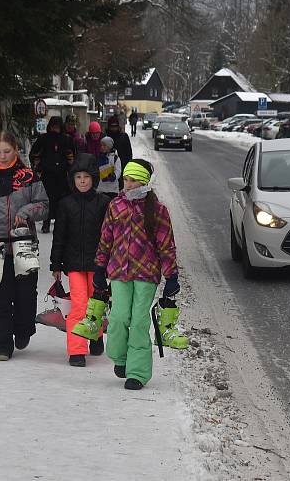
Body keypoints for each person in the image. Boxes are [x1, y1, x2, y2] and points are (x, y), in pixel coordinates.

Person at [95, 159, 179, 390]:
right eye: (126, 179)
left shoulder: (157, 209)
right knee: (119, 318)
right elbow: (105, 239)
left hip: (146, 273)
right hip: (119, 272)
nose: (128, 184)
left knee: (140, 322)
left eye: (133, 180)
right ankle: (120, 358)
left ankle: (137, 373)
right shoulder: (115, 206)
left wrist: (171, 276)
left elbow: (166, 244)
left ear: (143, 182)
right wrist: (100, 268)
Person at [0, 131, 49, 361]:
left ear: (15, 150)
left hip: (24, 246)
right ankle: (1, 346)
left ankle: (23, 331)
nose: (2, 156)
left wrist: (26, 212)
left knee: (25, 296)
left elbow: (43, 206)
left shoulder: (28, 177)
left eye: (7, 151)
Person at [49, 153, 111, 366]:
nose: (82, 181)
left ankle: (95, 336)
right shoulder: (66, 204)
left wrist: (110, 262)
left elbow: (109, 235)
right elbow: (59, 237)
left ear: (93, 178)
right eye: (78, 177)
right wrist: (55, 264)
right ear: (72, 180)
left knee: (96, 304)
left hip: (98, 264)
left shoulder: (104, 203)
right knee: (78, 305)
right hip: (74, 264)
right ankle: (76, 350)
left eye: (86, 176)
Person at [29, 116, 75, 233]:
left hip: (62, 174)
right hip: (47, 174)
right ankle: (46, 222)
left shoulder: (66, 139)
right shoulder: (44, 138)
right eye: (53, 127)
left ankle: (61, 224)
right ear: (50, 127)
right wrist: (38, 165)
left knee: (62, 200)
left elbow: (73, 154)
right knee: (47, 199)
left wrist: (70, 165)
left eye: (58, 127)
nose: (55, 129)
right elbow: (34, 153)